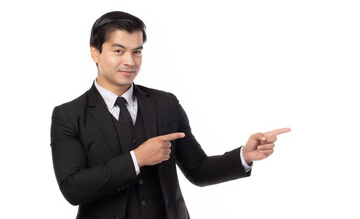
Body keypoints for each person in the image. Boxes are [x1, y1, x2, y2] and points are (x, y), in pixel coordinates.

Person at [50, 11, 291, 219]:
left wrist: (244, 156)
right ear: (95, 52)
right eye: (118, 51)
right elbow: (73, 188)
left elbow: (198, 169)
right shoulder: (69, 116)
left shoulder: (165, 103)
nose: (130, 61)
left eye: (137, 52)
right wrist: (137, 159)